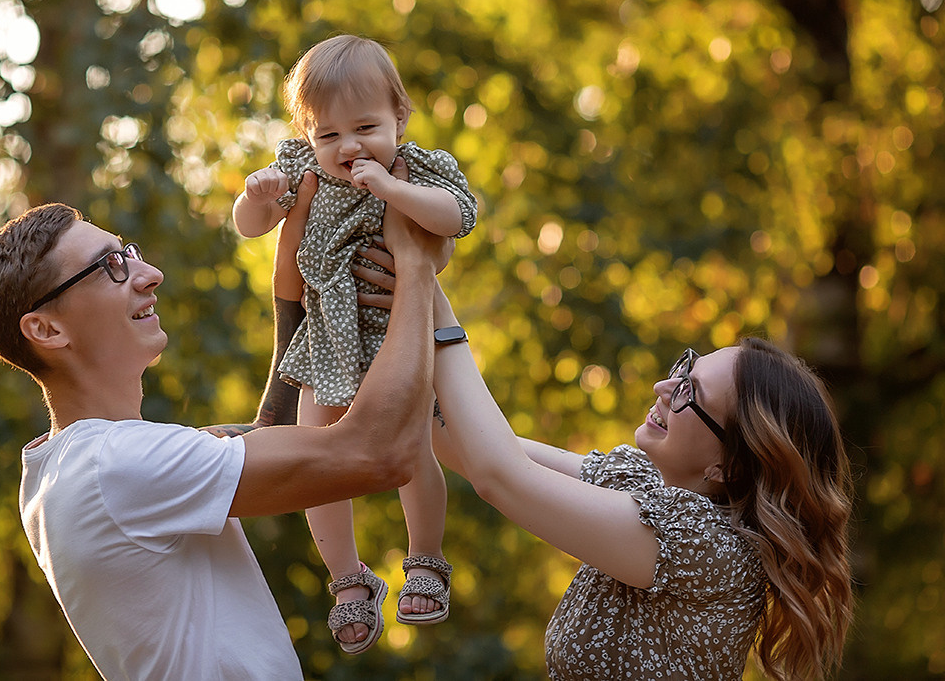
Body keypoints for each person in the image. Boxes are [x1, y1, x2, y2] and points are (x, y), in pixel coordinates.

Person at [0, 184, 448, 681]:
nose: (150, 274)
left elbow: (269, 432)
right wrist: (414, 267)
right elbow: (379, 454)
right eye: (109, 266)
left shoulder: (68, 467)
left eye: (128, 253)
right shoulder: (117, 465)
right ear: (47, 330)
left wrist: (297, 279)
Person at [350, 246, 854, 680]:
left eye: (689, 393)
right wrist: (393, 325)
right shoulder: (643, 483)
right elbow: (463, 444)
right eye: (684, 369)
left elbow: (499, 477)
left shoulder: (710, 550)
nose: (663, 387)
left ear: (728, 467)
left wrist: (427, 286)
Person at [232, 34, 478, 653]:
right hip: (325, 342)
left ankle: (426, 557)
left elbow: (456, 217)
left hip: (400, 340)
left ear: (400, 117)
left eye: (366, 128)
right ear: (308, 136)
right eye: (329, 134)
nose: (348, 147)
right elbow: (251, 227)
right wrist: (255, 199)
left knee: (412, 449)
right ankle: (347, 577)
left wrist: (392, 191)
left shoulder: (416, 169)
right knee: (314, 458)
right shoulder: (305, 172)